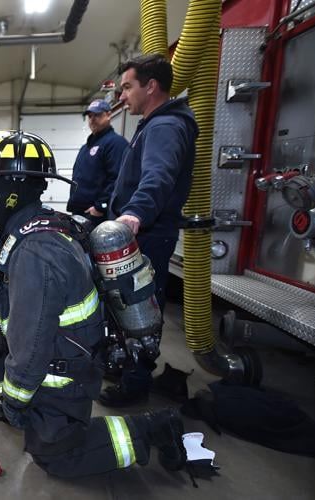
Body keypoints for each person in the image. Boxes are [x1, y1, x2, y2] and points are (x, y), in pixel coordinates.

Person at [0, 130, 186, 480]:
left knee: (56, 456)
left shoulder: (36, 251)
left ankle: (153, 429)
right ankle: (2, 402)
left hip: (65, 370)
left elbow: (32, 343)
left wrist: (17, 400)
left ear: (11, 191)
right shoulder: (30, 228)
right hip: (56, 345)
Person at [103, 54, 199, 407]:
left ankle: (136, 383)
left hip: (148, 236)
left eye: (127, 87)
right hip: (145, 234)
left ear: (151, 86)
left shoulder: (164, 127)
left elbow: (159, 176)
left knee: (140, 311)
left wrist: (134, 215)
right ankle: (125, 366)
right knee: (125, 306)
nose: (122, 96)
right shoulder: (154, 123)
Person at [66, 99, 127, 226]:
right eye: (90, 116)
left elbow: (116, 178)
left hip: (97, 216)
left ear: (109, 115)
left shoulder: (115, 143)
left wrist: (100, 207)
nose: (92, 119)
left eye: (97, 115)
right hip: (80, 213)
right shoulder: (85, 147)